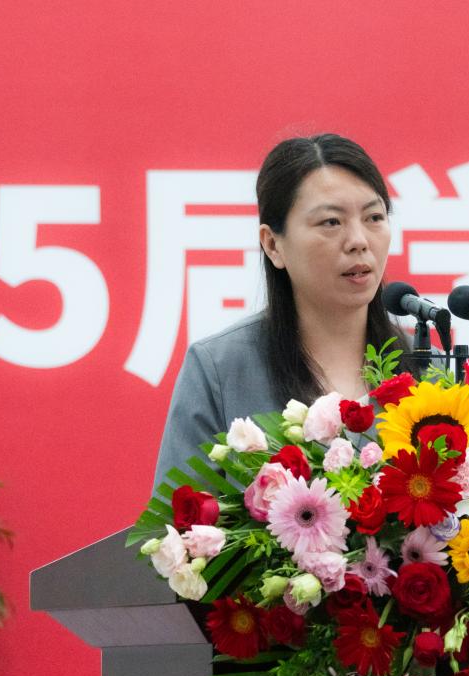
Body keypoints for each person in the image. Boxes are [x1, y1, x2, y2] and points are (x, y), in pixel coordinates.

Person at [152, 133, 412, 490]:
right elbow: (178, 519)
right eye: (331, 222)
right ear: (273, 244)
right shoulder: (221, 370)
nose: (359, 240)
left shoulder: (427, 369)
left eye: (374, 217)